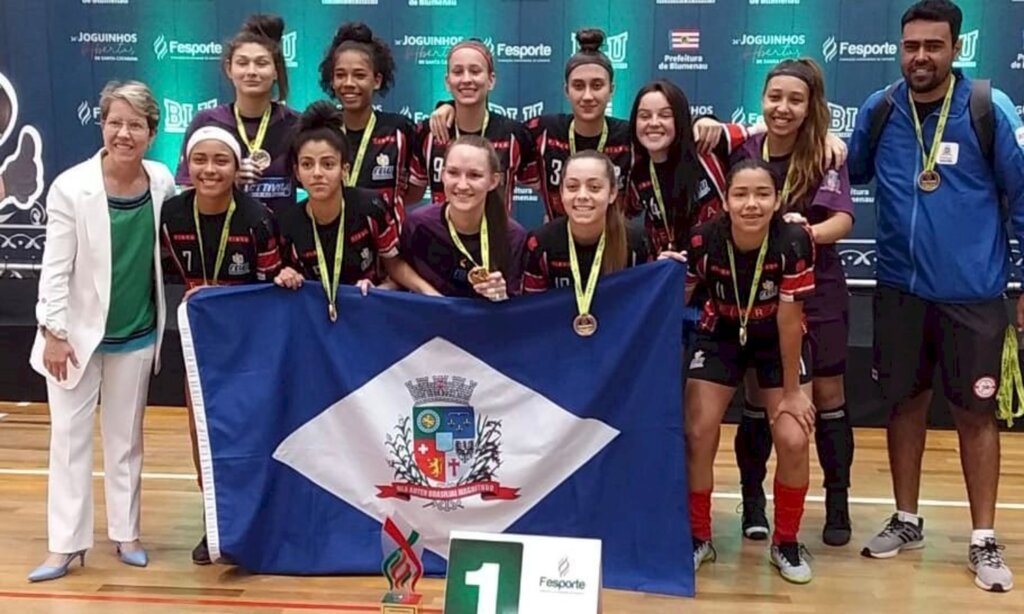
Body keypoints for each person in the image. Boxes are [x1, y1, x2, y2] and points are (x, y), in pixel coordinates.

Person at [847, 0, 1023, 592]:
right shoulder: (880, 109)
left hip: (973, 294)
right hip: (899, 288)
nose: (920, 57)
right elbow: (854, 172)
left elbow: (1021, 198)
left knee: (977, 413)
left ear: (956, 48)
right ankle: (905, 519)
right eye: (911, 46)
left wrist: (1021, 285)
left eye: (934, 46)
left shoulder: (985, 109)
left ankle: (982, 538)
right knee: (905, 404)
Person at [27, 81, 176, 581]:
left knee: (125, 440)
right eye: (115, 122)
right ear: (102, 125)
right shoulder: (71, 186)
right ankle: (65, 546)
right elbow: (54, 267)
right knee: (69, 440)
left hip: (136, 335)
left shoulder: (161, 182)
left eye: (135, 124)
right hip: (73, 340)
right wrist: (52, 331)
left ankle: (125, 534)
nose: (124, 133)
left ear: (153, 132)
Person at [731, 58, 856, 547]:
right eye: (774, 97)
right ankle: (753, 502)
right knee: (762, 397)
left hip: (818, 292)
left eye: (795, 100)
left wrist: (806, 232)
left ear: (811, 107)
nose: (783, 108)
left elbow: (842, 221)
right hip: (756, 295)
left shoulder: (824, 155)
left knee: (826, 397)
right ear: (762, 100)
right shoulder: (743, 148)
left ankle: (838, 503)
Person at [682, 158, 817, 584]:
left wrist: (793, 393)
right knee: (698, 431)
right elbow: (678, 294)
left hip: (778, 340)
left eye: (762, 194)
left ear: (777, 201)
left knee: (793, 438)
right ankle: (698, 536)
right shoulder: (705, 239)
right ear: (725, 200)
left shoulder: (795, 241)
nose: (751, 204)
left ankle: (787, 542)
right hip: (721, 332)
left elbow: (790, 318)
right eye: (740, 194)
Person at [160, 126, 283, 565]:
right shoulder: (172, 214)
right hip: (201, 342)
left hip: (249, 344)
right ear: (188, 166)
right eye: (200, 160)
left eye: (221, 161)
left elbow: (270, 288)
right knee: (203, 434)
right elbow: (166, 280)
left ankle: (255, 520)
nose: (209, 170)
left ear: (236, 168)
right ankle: (215, 520)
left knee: (250, 430)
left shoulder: (257, 218)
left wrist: (218, 294)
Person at [273, 102, 439, 302]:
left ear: (344, 170)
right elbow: (279, 279)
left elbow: (394, 267)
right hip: (315, 319)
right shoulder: (288, 223)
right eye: (307, 164)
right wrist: (285, 277)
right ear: (297, 172)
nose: (317, 173)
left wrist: (428, 295)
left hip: (368, 311)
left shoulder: (372, 207)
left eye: (328, 164)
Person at [175, 14, 299, 215]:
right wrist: (227, 181)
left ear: (276, 71)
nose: (251, 71)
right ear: (229, 69)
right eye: (242, 63)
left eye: (261, 63)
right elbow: (187, 191)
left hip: (281, 240)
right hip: (225, 237)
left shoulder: (295, 124)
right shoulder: (207, 122)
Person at [407, 40, 536, 212]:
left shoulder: (514, 135)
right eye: (458, 72)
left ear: (491, 80)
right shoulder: (428, 132)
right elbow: (412, 192)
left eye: (475, 71)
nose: (466, 79)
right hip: (440, 236)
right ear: (447, 81)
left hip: (495, 236)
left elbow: (548, 189)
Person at [401, 135, 527, 300]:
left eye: (474, 175)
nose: (462, 185)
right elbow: (397, 273)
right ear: (442, 174)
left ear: (493, 181)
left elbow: (520, 308)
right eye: (453, 173)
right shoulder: (417, 224)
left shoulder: (513, 237)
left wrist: (503, 296)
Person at [318, 22, 415, 229]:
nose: (349, 83)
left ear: (377, 80)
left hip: (391, 245)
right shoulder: (322, 131)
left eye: (360, 75)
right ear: (332, 81)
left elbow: (417, 187)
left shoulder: (399, 129)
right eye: (341, 75)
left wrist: (447, 107)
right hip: (333, 245)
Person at [523, 150, 649, 294]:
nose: (582, 196)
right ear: (562, 193)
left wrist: (667, 265)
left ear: (612, 193)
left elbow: (650, 301)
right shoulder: (541, 243)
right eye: (572, 187)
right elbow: (530, 308)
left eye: (594, 187)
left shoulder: (636, 242)